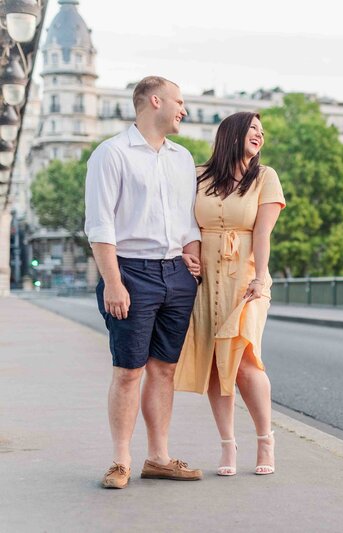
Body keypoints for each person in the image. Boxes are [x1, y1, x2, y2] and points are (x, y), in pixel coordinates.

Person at [85, 76, 204, 489]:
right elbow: (100, 226)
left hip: (176, 273)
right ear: (156, 101)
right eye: (180, 101)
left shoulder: (182, 159)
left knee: (165, 370)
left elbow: (189, 221)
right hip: (130, 271)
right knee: (128, 371)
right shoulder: (111, 154)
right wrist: (113, 282)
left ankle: (159, 458)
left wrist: (195, 260)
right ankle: (120, 462)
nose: (184, 110)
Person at [174, 111, 285, 477]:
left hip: (247, 277)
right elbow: (184, 223)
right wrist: (188, 253)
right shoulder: (197, 176)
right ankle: (227, 446)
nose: (260, 135)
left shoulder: (265, 178)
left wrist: (261, 276)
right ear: (232, 134)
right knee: (214, 363)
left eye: (262, 131)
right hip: (205, 280)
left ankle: (265, 439)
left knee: (245, 360)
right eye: (253, 129)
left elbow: (264, 233)